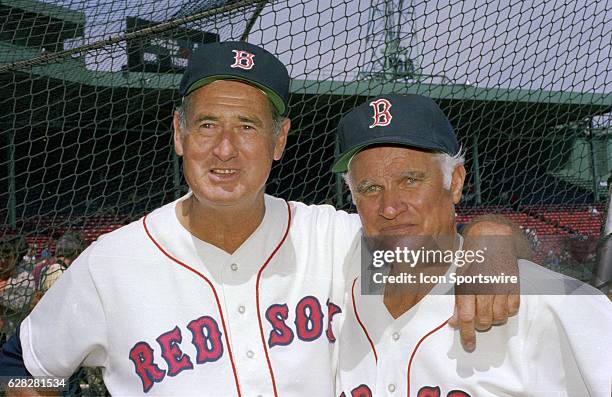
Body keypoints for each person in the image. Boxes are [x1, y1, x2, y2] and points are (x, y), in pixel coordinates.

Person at [1, 42, 522, 395]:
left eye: (248, 127)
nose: (225, 150)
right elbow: (21, 368)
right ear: (180, 134)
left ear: (279, 141)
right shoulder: (111, 264)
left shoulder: (334, 239)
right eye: (207, 124)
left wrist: (491, 237)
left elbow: (443, 253)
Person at [332, 94, 612, 396]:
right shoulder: (336, 287)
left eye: (410, 180)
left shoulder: (551, 302)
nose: (389, 207)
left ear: (455, 183)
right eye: (371, 188)